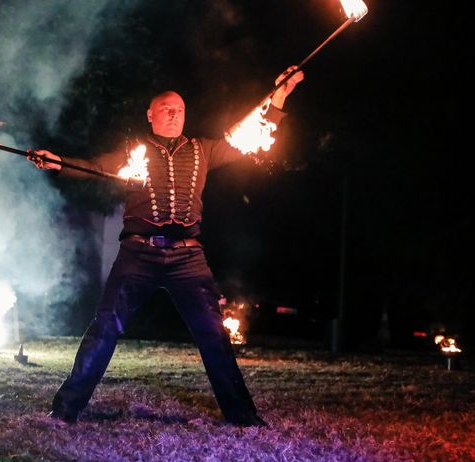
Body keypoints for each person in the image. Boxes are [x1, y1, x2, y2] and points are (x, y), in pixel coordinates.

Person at [29, 66, 304, 426]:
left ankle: (243, 418)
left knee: (213, 335)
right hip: (138, 254)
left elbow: (251, 134)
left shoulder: (203, 149)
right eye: (166, 109)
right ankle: (65, 410)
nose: (174, 114)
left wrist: (280, 94)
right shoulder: (134, 151)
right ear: (151, 114)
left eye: (180, 110)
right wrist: (59, 163)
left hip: (188, 257)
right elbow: (95, 167)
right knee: (105, 327)